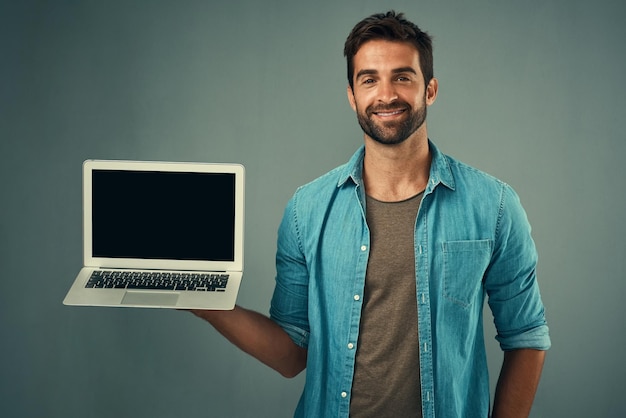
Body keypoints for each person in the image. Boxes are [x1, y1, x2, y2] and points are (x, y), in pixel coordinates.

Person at [191, 10, 550, 418]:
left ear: (429, 89)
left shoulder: (494, 205)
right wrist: (206, 304)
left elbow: (526, 337)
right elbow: (291, 355)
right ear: (352, 95)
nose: (386, 94)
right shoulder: (306, 210)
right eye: (369, 79)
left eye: (403, 76)